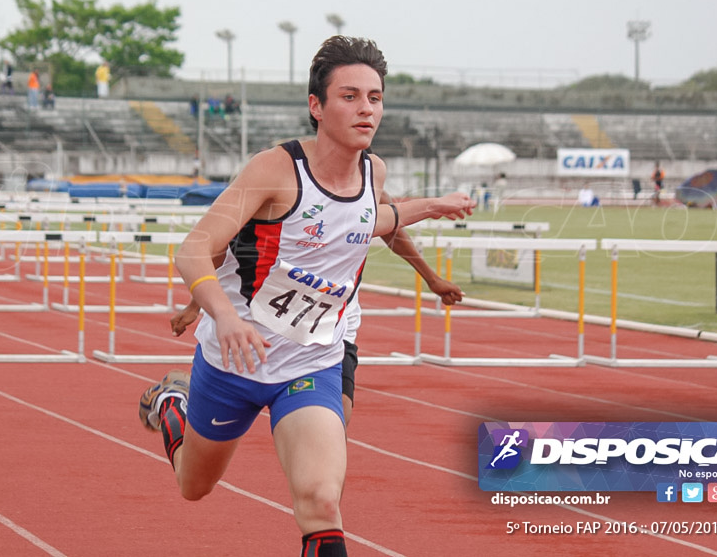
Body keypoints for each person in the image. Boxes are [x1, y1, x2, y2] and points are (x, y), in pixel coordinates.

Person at [138, 36, 474, 557]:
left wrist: (430, 221)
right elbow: (195, 249)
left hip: (311, 361)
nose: (366, 108)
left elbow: (372, 220)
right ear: (316, 107)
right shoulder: (275, 169)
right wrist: (222, 316)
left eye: (375, 97)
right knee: (193, 486)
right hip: (234, 360)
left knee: (320, 499)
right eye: (350, 96)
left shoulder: (373, 172)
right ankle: (172, 405)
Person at [169, 191, 465, 426]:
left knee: (338, 419)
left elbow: (395, 235)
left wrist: (432, 278)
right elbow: (226, 251)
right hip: (265, 320)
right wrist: (196, 305)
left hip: (332, 327)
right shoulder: (286, 193)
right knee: (197, 480)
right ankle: (175, 405)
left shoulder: (374, 194)